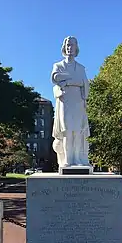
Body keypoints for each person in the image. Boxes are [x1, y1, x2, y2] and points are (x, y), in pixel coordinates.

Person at [51, 36, 90, 167]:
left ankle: (77, 159)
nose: (70, 48)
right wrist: (71, 80)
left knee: (78, 131)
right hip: (65, 101)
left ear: (76, 47)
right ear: (64, 47)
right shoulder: (58, 66)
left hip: (78, 101)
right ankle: (67, 159)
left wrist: (68, 82)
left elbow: (85, 84)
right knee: (67, 130)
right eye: (68, 45)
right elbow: (55, 79)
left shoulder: (80, 68)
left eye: (72, 45)